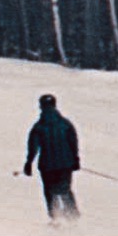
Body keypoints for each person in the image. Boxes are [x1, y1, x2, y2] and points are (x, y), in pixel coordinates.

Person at [22, 93, 82, 221]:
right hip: (66, 164)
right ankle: (72, 216)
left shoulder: (39, 127)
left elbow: (33, 146)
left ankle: (55, 217)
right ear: (55, 105)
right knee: (65, 188)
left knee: (49, 191)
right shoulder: (65, 124)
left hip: (47, 165)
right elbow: (73, 142)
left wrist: (29, 163)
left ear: (41, 107)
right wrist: (75, 159)